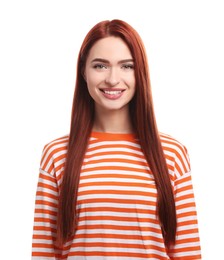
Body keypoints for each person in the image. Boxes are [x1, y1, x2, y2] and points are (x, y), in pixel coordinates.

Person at [32, 19, 201, 259]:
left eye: (127, 66)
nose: (113, 79)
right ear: (83, 72)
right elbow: (45, 253)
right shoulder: (56, 155)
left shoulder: (172, 154)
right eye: (100, 66)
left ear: (140, 72)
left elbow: (187, 252)